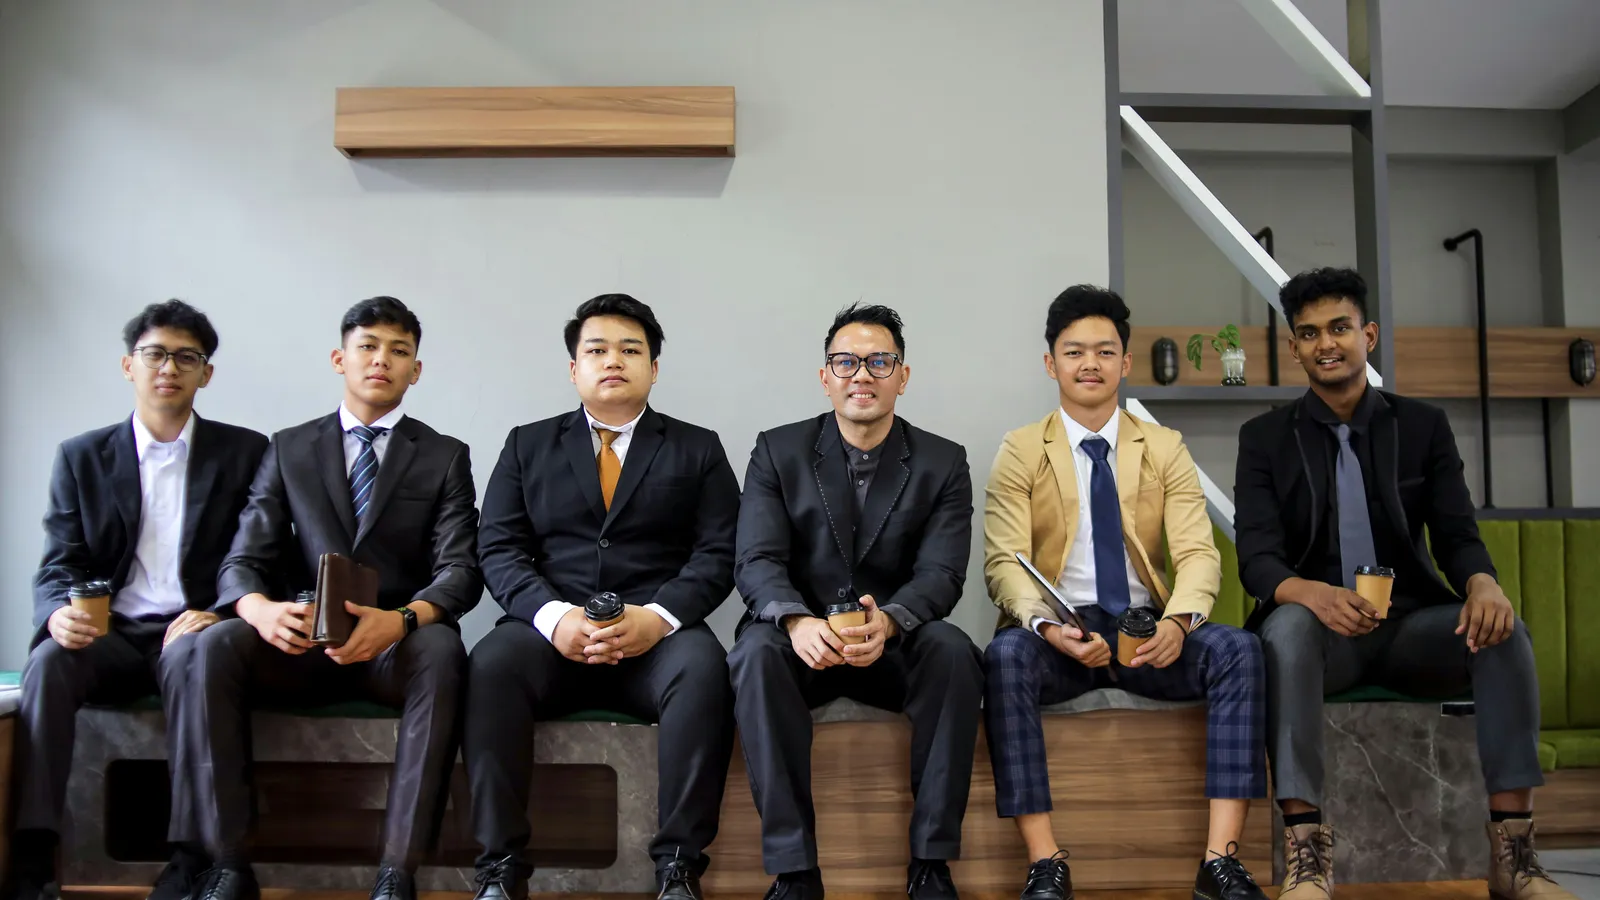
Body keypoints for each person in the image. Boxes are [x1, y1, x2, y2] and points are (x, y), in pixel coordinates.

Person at [1235, 267, 1574, 900]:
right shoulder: (1263, 439)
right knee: (1284, 629)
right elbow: (1256, 557)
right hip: (1321, 637)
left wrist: (1482, 582)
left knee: (1503, 632)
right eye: (1308, 334)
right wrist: (1309, 593)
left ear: (1369, 334)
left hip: (1411, 627)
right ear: (1294, 349)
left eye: (1339, 328)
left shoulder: (1422, 426)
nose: (1325, 344)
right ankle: (1307, 857)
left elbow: (1456, 532)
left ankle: (1514, 854)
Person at [180, 296, 481, 900]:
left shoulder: (446, 454)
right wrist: (257, 609)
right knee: (214, 647)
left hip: (394, 645)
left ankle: (398, 874)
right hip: (301, 639)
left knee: (444, 652)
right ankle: (227, 865)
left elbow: (460, 570)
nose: (382, 360)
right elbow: (244, 558)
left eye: (399, 351)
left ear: (415, 371)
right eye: (368, 346)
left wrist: (401, 620)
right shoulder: (289, 447)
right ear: (340, 358)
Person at [984, 286, 1269, 900]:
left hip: (1146, 629)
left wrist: (1181, 623)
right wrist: (1044, 627)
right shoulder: (1021, 449)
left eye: (1105, 351)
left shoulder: (1163, 446)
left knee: (1239, 650)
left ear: (1124, 362)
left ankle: (1219, 863)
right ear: (1050, 362)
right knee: (1005, 656)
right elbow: (1004, 563)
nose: (1090, 363)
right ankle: (1044, 861)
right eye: (1075, 351)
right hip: (1065, 632)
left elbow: (1196, 552)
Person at [464, 294, 739, 900]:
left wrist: (659, 617)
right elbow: (500, 549)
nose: (613, 360)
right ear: (573, 368)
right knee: (490, 664)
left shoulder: (698, 448)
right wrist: (554, 616)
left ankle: (678, 866)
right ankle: (500, 867)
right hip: (550, 630)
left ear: (654, 368)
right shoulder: (526, 444)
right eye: (596, 350)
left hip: (656, 634)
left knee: (704, 669)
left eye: (630, 349)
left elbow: (719, 553)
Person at [5, 300, 267, 900]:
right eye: (154, 354)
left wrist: (223, 610)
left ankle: (187, 855)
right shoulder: (82, 456)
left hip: (192, 628)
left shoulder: (245, 453)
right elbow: (59, 561)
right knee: (47, 661)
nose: (167, 368)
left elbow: (261, 556)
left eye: (185, 357)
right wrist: (57, 613)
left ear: (207, 373)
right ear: (129, 366)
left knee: (191, 660)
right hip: (111, 633)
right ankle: (34, 853)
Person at [729, 303, 980, 900]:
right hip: (801, 643)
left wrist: (890, 622)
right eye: (845, 361)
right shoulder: (777, 450)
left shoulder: (944, 461)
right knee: (754, 655)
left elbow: (943, 572)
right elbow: (756, 560)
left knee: (953, 651)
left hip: (890, 643)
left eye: (878, 362)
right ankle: (795, 871)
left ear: (902, 375)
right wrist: (795, 620)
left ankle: (931, 865)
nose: (861, 374)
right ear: (825, 376)